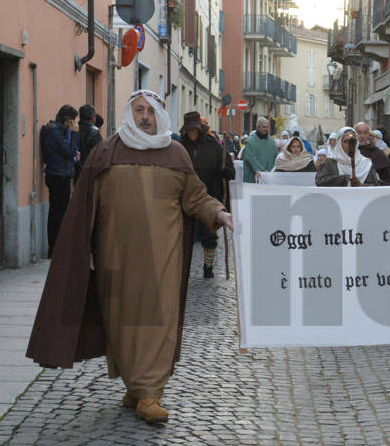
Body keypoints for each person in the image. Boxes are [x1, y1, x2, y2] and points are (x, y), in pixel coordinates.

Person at [27, 90, 233, 424]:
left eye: (151, 111)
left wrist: (220, 213)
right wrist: (84, 248)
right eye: (139, 110)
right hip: (116, 253)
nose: (145, 117)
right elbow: (85, 202)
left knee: (158, 319)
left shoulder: (176, 154)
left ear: (161, 115)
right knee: (121, 321)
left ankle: (150, 391)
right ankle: (136, 385)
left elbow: (196, 197)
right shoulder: (108, 151)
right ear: (129, 113)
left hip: (162, 255)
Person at [179, 112, 235, 278]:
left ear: (200, 129)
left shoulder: (214, 146)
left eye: (194, 130)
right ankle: (183, 268)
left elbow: (230, 171)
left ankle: (208, 266)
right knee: (185, 235)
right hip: (186, 198)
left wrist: (225, 170)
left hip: (210, 194)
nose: (191, 134)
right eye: (188, 131)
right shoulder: (180, 146)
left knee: (208, 235)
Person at [41, 105, 80, 258]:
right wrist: (74, 134)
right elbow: (69, 151)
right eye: (73, 120)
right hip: (58, 176)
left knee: (58, 213)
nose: (75, 123)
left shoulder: (56, 132)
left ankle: (56, 248)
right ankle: (55, 249)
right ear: (67, 120)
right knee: (58, 214)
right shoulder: (54, 133)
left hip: (59, 174)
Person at [316, 129, 381, 187]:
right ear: (339, 143)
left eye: (352, 142)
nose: (349, 145)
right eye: (345, 141)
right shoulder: (329, 162)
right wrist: (345, 180)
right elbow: (320, 181)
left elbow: (374, 186)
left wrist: (359, 185)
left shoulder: (365, 163)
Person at [242, 117, 277, 183]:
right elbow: (250, 159)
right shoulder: (250, 142)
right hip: (253, 177)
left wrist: (271, 171)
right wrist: (262, 171)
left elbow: (276, 158)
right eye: (264, 127)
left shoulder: (272, 142)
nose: (266, 129)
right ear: (258, 127)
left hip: (270, 177)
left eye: (267, 127)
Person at [77, 104, 103, 174]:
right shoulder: (94, 133)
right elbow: (99, 154)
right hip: (90, 170)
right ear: (93, 117)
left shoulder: (75, 130)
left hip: (76, 169)